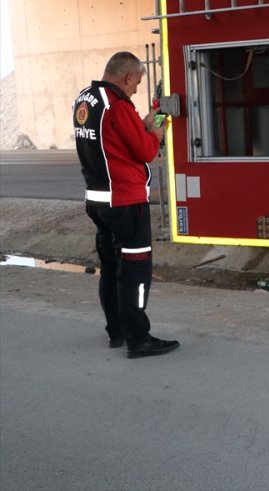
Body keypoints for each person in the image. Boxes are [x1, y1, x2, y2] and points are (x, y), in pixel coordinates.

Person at [73, 52, 179, 359]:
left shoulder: (85, 100)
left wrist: (140, 124)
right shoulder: (118, 107)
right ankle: (139, 338)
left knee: (110, 270)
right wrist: (156, 129)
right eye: (137, 83)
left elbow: (112, 141)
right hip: (126, 203)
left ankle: (116, 332)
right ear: (128, 77)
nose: (135, 90)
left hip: (98, 201)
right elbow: (146, 150)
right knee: (135, 272)